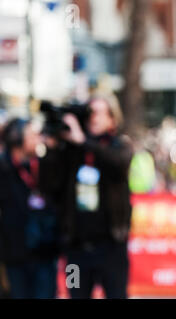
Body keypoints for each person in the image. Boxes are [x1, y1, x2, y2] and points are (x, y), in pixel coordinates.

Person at [43, 91, 133, 298]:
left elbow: (118, 164)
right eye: (90, 112)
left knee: (117, 294)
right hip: (76, 249)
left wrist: (83, 140)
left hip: (112, 245)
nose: (94, 118)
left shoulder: (119, 145)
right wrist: (53, 149)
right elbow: (50, 185)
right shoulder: (71, 150)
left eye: (99, 113)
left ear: (112, 118)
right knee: (76, 294)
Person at [0, 118, 59, 298]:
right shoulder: (3, 169)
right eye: (32, 135)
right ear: (16, 139)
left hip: (44, 251)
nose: (38, 139)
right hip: (14, 253)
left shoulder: (45, 165)